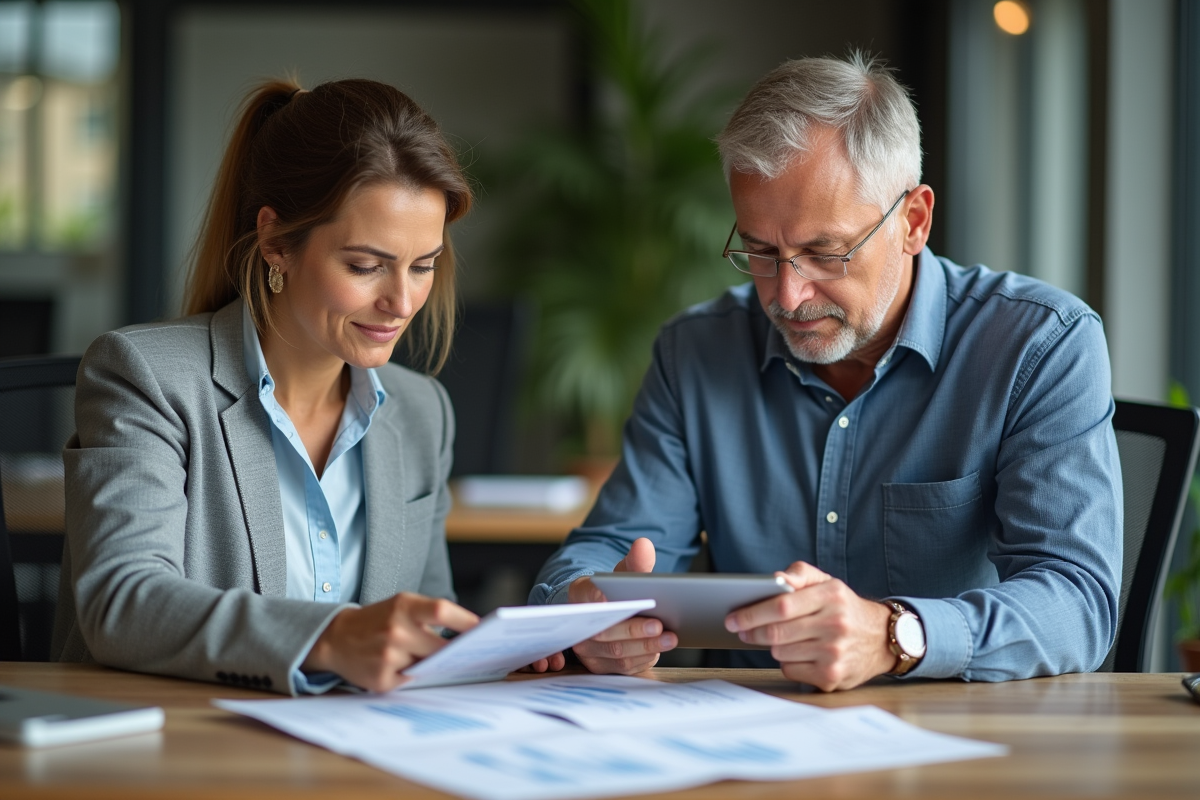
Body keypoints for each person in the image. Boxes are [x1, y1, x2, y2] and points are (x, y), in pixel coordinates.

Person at [530, 53, 1123, 690]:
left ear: (913, 222)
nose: (787, 296)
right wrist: (580, 608)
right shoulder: (694, 353)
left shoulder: (1039, 344)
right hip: (743, 740)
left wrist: (896, 633)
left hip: (958, 740)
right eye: (760, 252)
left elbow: (1078, 600)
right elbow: (610, 548)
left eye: (824, 253)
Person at [51, 78, 541, 694]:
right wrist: (330, 638)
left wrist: (513, 650)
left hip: (353, 761)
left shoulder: (422, 412)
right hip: (181, 756)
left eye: (424, 266)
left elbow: (426, 619)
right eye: (365, 266)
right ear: (276, 241)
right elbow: (122, 603)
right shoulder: (144, 375)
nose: (402, 301)